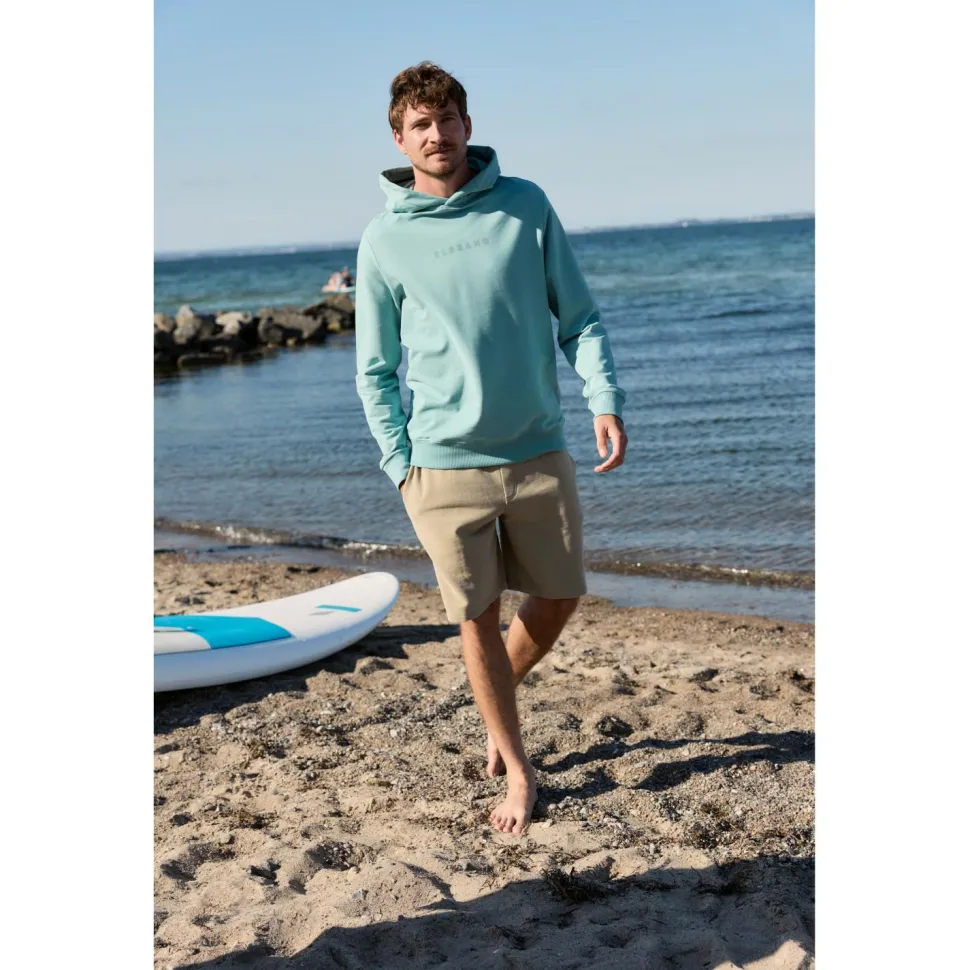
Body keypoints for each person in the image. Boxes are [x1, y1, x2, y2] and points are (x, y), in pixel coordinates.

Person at [354, 62, 627, 836]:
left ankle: (492, 697)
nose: (436, 135)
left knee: (560, 594)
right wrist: (398, 463)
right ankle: (517, 766)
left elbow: (579, 318)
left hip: (537, 449)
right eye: (420, 124)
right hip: (440, 467)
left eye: (447, 120)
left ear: (468, 126)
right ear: (399, 138)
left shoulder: (526, 205)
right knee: (475, 619)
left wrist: (603, 399)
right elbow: (375, 368)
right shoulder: (384, 239)